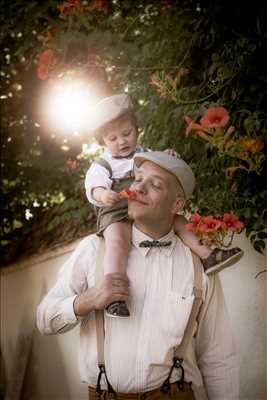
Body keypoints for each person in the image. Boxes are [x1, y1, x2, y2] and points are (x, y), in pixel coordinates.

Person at [36, 151, 240, 400]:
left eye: (155, 184)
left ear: (177, 205)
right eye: (137, 178)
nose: (139, 188)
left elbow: (218, 356)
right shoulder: (94, 250)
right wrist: (88, 300)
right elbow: (44, 319)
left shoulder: (198, 267)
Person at [85, 93, 243, 317]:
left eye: (127, 133)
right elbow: (93, 186)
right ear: (103, 142)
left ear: (137, 130)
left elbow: (161, 167)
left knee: (179, 221)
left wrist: (168, 157)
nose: (121, 141)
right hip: (117, 209)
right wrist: (102, 194)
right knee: (117, 241)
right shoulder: (102, 164)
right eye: (112, 139)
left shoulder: (146, 154)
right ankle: (114, 294)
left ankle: (207, 255)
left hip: (144, 204)